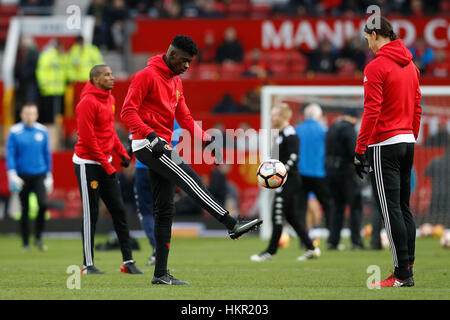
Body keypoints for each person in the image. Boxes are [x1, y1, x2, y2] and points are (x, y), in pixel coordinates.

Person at [120, 35, 262, 285]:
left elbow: (184, 116)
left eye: (190, 62)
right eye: (184, 61)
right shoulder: (145, 76)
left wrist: (207, 139)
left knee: (165, 210)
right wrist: (151, 135)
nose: (187, 66)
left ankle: (160, 274)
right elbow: (127, 111)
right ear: (172, 54)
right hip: (148, 145)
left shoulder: (175, 82)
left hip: (160, 144)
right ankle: (231, 224)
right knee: (192, 181)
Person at [354, 17, 422, 287]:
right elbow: (417, 107)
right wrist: (410, 135)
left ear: (375, 34)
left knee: (389, 208)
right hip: (407, 141)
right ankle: (409, 265)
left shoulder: (376, 66)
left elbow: (372, 110)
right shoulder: (412, 66)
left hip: (384, 144)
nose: (367, 43)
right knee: (404, 207)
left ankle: (401, 274)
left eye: (367, 37)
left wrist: (360, 150)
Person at [73, 65, 142, 275]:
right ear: (95, 78)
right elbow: (87, 138)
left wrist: (121, 152)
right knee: (91, 212)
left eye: (112, 74)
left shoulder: (109, 99)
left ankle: (127, 262)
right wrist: (107, 164)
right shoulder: (86, 103)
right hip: (87, 164)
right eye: (107, 75)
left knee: (119, 210)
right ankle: (87, 265)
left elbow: (109, 130)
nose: (112, 78)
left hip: (105, 163)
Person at [250, 103, 320, 262]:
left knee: (277, 214)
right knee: (292, 217)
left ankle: (270, 251)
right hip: (283, 181)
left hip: (289, 181)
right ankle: (311, 247)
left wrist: (278, 174)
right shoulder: (279, 134)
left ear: (283, 117)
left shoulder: (291, 134)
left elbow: (293, 159)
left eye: (274, 114)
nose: (271, 117)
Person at [5, 104, 53, 251]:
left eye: (32, 113)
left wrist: (49, 175)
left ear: (36, 115)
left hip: (39, 174)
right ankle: (25, 242)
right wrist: (12, 174)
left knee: (43, 204)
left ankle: (38, 238)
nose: (29, 116)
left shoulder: (42, 131)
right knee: (24, 209)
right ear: (21, 115)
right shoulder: (14, 132)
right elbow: (11, 154)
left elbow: (47, 154)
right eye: (27, 113)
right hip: (22, 176)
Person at [325, 108, 365, 250]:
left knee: (337, 207)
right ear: (354, 118)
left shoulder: (332, 128)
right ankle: (356, 242)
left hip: (330, 171)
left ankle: (333, 241)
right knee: (355, 206)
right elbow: (352, 152)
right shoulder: (349, 130)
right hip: (346, 172)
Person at [295, 103, 333, 231]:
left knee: (301, 207)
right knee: (328, 205)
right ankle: (332, 237)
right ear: (319, 115)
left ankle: (303, 237)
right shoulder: (323, 131)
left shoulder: (297, 130)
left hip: (301, 174)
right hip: (319, 173)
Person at [35, 40, 67, 123]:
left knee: (59, 114)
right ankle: (50, 131)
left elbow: (65, 71)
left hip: (59, 89)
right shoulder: (47, 56)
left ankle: (57, 132)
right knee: (49, 113)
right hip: (49, 89)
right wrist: (43, 85)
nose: (62, 49)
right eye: (61, 47)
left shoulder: (61, 56)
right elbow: (41, 71)